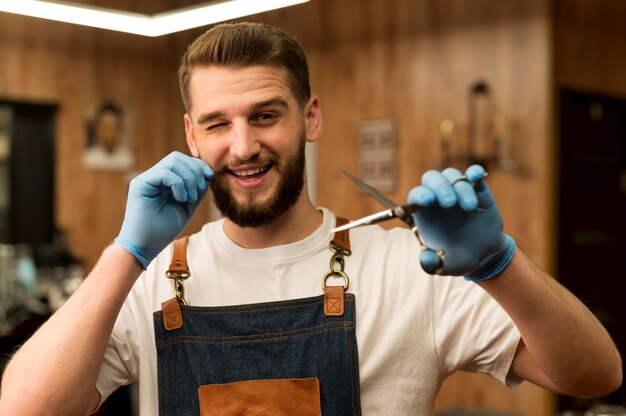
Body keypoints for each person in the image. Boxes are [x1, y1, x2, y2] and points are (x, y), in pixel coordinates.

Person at [0, 22, 621, 416]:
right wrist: (125, 254)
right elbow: (25, 408)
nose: (242, 146)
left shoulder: (408, 267)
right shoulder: (154, 276)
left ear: (310, 117)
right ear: (191, 136)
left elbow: (596, 375)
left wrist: (499, 265)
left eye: (265, 115)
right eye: (218, 124)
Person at [83, 101, 134, 171]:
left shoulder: (127, 159)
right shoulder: (89, 158)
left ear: (119, 129)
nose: (108, 132)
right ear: (97, 129)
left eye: (112, 126)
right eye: (105, 126)